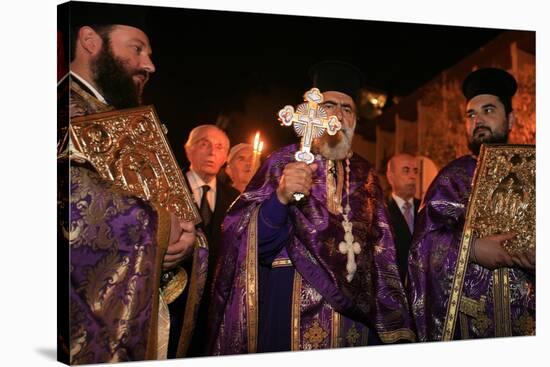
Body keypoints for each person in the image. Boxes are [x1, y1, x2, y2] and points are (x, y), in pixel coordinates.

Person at [206, 61, 415, 355]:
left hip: (356, 318)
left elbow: (384, 254)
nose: (339, 115)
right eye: (330, 105)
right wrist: (280, 198)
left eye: (347, 109)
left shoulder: (366, 176)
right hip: (291, 304)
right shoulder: (282, 162)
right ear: (313, 112)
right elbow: (250, 246)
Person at [58, 3, 197, 363]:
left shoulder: (119, 116)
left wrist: (188, 237)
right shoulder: (60, 108)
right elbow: (71, 195)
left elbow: (171, 201)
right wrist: (164, 225)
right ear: (89, 40)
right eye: (136, 48)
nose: (150, 65)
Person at [407, 68, 536, 341]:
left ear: (511, 119)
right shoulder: (451, 178)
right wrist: (473, 249)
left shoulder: (537, 172)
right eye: (471, 114)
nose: (478, 120)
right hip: (471, 325)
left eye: (488, 110)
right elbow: (422, 247)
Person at [177, 124, 240, 356]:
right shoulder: (168, 188)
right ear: (189, 149)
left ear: (225, 157)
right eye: (205, 144)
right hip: (172, 300)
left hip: (213, 308)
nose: (212, 152)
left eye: (220, 147)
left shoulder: (235, 200)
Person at [385, 153, 420, 282]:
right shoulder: (380, 211)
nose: (412, 176)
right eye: (406, 170)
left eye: (415, 171)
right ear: (390, 177)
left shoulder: (426, 209)